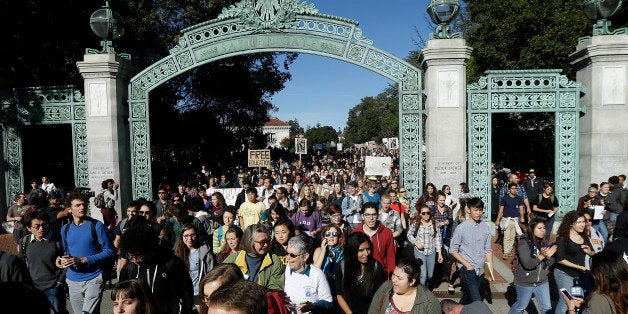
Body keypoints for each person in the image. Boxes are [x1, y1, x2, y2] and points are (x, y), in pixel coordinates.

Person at [56, 192, 116, 314]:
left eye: (84, 204)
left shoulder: (97, 226)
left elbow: (110, 252)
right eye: (78, 205)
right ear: (69, 209)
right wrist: (61, 259)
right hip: (73, 279)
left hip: (94, 277)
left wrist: (84, 260)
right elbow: (68, 251)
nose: (82, 207)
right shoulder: (65, 229)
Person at [119, 224, 194, 314]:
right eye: (131, 256)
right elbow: (122, 297)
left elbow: (186, 292)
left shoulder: (172, 263)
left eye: (139, 255)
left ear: (151, 249)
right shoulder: (129, 268)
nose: (135, 260)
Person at [18, 211, 67, 314]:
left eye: (44, 225)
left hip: (54, 287)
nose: (41, 228)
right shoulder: (24, 242)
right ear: (29, 228)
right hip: (34, 288)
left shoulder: (58, 240)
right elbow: (22, 263)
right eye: (37, 226)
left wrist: (59, 282)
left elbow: (67, 261)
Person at [449, 197, 494, 305]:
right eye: (476, 210)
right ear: (468, 210)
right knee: (477, 300)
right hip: (467, 270)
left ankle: (457, 310)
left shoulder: (486, 227)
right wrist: (468, 266)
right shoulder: (461, 228)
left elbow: (488, 250)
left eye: (480, 210)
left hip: (480, 269)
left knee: (468, 297)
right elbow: (453, 250)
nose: (479, 213)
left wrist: (489, 270)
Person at [509, 219, 556, 314]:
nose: (543, 230)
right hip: (525, 282)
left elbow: (550, 263)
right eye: (539, 228)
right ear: (532, 229)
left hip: (542, 281)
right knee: (521, 306)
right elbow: (528, 264)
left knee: (547, 308)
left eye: (544, 228)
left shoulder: (544, 242)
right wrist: (542, 256)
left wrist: (550, 256)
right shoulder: (524, 243)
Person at [553, 210, 594, 314]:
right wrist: (579, 267)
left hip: (580, 275)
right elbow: (560, 259)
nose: (583, 224)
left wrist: (590, 253)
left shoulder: (584, 237)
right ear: (571, 224)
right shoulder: (562, 238)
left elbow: (593, 252)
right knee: (565, 301)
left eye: (583, 222)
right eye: (579, 222)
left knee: (580, 301)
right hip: (563, 275)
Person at [334, 232, 386, 314]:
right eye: (361, 250)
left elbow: (380, 296)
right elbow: (339, 295)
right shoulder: (342, 267)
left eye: (368, 249)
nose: (366, 254)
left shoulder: (376, 267)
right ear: (352, 251)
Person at [563, 250, 628, 314]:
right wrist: (586, 304)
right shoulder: (622, 295)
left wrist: (571, 309)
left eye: (592, 270)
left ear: (600, 274)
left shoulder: (598, 300)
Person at [223, 223, 285, 290]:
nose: (266, 245)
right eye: (262, 242)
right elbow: (221, 282)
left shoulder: (274, 260)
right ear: (250, 241)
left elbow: (275, 288)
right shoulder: (233, 259)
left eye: (268, 241)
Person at [369, 258, 441, 313]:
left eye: (399, 278)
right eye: (393, 275)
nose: (393, 280)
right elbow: (373, 310)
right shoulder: (386, 287)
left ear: (412, 281)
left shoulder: (429, 302)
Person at [284, 235, 333, 312]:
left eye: (292, 255)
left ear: (305, 257)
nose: (288, 258)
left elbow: (328, 302)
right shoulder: (286, 269)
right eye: (287, 253)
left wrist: (313, 306)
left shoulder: (317, 274)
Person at [353, 202, 396, 276]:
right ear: (362, 216)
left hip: (381, 275)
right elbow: (352, 257)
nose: (371, 218)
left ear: (378, 215)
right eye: (367, 215)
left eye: (374, 214)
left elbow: (391, 257)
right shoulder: (356, 233)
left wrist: (390, 276)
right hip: (361, 275)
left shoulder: (387, 232)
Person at [174, 224, 214, 299]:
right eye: (186, 236)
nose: (190, 238)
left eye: (193, 235)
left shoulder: (204, 251)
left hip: (200, 293)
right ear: (181, 237)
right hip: (184, 294)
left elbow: (210, 272)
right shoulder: (177, 253)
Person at [407, 205, 443, 286]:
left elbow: (438, 238)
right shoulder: (416, 223)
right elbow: (409, 234)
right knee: (423, 275)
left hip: (431, 252)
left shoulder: (435, 223)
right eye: (423, 213)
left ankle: (426, 287)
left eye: (428, 213)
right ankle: (422, 293)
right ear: (420, 214)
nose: (426, 215)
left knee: (430, 275)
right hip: (420, 252)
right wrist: (416, 242)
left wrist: (439, 254)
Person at [496, 183, 525, 259]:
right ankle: (506, 252)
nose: (514, 190)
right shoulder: (505, 198)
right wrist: (498, 220)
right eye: (513, 188)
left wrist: (522, 217)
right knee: (506, 236)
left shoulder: (519, 198)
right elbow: (501, 210)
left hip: (515, 220)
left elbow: (521, 208)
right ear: (509, 190)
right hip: (506, 219)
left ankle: (508, 251)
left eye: (515, 188)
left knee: (512, 236)